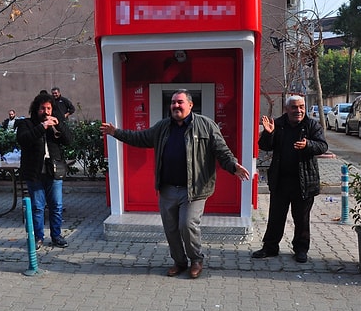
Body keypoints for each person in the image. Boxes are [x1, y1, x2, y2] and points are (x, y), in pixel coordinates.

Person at [100, 89, 250, 279]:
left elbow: (222, 150)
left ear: (190, 104)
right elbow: (141, 138)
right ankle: (179, 262)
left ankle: (196, 260)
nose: (175, 106)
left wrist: (232, 165)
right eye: (173, 102)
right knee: (171, 229)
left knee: (186, 225)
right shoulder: (163, 127)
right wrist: (116, 133)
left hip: (194, 189)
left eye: (179, 102)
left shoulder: (206, 125)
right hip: (168, 188)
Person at [252, 95, 328, 263]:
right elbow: (265, 146)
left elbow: (322, 146)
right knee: (275, 217)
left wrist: (308, 145)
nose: (298, 110)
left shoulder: (312, 125)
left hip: (304, 181)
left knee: (301, 218)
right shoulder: (278, 124)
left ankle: (301, 249)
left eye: (301, 107)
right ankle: (270, 247)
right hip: (280, 180)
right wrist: (269, 133)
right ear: (287, 109)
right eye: (294, 107)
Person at [16, 93, 73, 250]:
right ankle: (38, 237)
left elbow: (69, 140)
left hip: (53, 171)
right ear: (36, 109)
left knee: (56, 205)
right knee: (37, 207)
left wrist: (59, 125)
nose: (46, 111)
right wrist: (42, 127)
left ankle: (56, 236)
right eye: (43, 108)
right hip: (35, 172)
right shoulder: (26, 124)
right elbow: (24, 139)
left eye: (49, 108)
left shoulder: (55, 122)